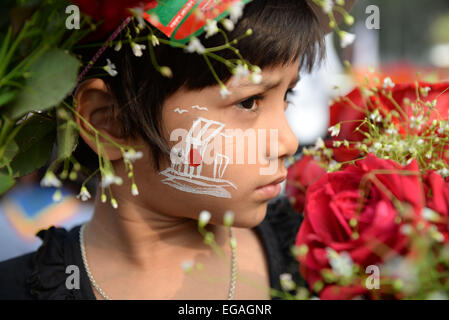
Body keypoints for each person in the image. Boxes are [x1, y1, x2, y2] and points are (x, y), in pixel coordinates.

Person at [0, 0, 353, 300]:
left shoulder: (324, 259)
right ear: (109, 123)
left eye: (287, 95)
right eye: (249, 103)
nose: (288, 142)